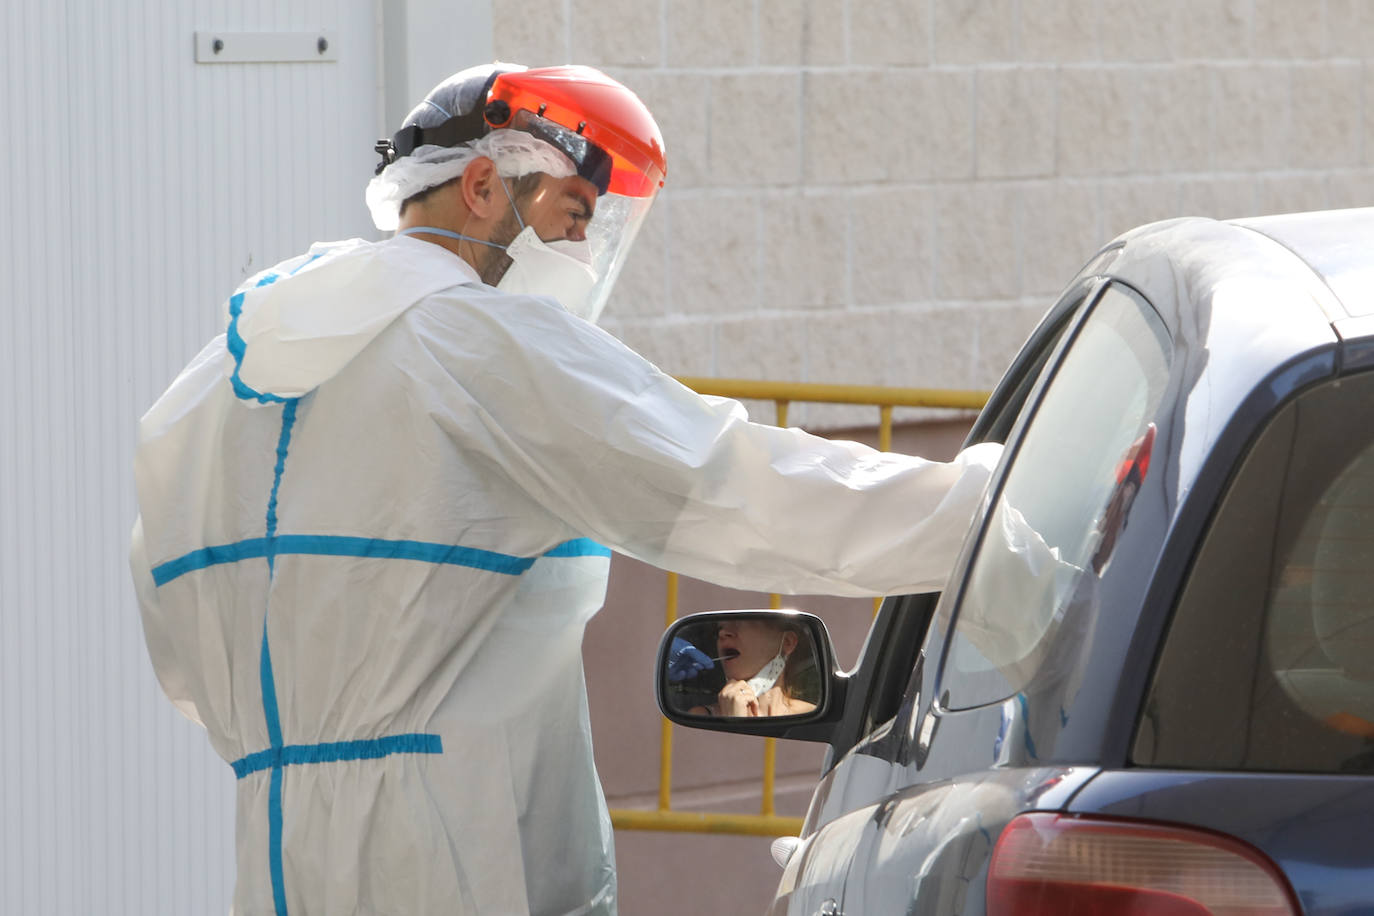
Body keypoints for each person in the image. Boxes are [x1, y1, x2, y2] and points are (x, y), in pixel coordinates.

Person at [130, 62, 1003, 916]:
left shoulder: (204, 395)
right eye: (573, 213)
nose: (583, 248)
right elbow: (728, 484)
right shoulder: (476, 342)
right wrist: (991, 505)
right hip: (461, 844)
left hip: (278, 850)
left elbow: (183, 660)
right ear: (481, 185)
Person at [689, 617, 819, 717]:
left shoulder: (811, 714)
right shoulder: (702, 715)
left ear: (787, 642)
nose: (723, 633)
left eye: (739, 622)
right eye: (720, 628)